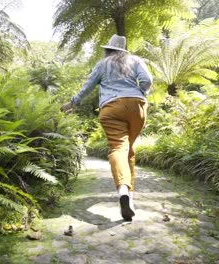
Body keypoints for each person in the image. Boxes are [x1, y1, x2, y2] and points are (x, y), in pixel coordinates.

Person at [61, 34, 153, 221]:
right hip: (137, 107)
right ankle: (129, 196)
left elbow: (87, 87)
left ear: (108, 49)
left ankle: (123, 191)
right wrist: (138, 92)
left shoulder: (102, 64)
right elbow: (147, 80)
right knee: (129, 151)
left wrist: (72, 103)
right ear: (123, 49)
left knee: (118, 148)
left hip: (112, 109)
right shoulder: (135, 60)